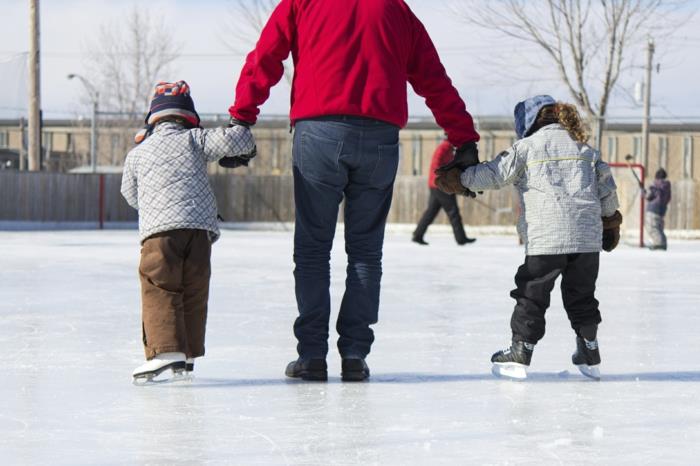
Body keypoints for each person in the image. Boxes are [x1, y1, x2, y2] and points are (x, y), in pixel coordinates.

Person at [229, 0, 480, 381]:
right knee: (366, 252)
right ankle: (354, 355)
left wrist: (242, 117)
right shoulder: (396, 10)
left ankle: (312, 355)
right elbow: (433, 78)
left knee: (313, 249)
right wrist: (464, 137)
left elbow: (266, 56)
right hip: (379, 138)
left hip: (319, 133)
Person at [436, 95, 622, 380]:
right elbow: (607, 189)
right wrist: (609, 223)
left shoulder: (526, 148)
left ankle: (521, 350)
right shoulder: (585, 150)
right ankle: (589, 349)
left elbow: (493, 174)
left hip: (547, 238)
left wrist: (460, 179)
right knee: (582, 295)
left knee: (532, 294)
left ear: (528, 122)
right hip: (586, 240)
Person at [121, 81, 256, 383]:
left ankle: (167, 352)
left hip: (160, 233)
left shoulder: (138, 153)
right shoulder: (196, 139)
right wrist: (244, 135)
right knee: (194, 288)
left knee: (160, 285)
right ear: (189, 116)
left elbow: (129, 194)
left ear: (153, 118)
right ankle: (189, 354)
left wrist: (153, 204)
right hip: (199, 232)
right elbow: (239, 140)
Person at [412, 139, 476, 246]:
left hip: (437, 185)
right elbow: (436, 166)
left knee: (431, 212)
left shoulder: (449, 149)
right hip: (440, 185)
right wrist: (447, 178)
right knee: (453, 212)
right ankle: (461, 238)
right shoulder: (444, 148)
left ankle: (418, 235)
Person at [646, 168, 672, 250]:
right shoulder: (667, 186)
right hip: (662, 210)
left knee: (652, 227)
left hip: (653, 209)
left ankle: (658, 243)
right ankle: (663, 243)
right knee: (659, 227)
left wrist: (644, 192)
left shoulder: (655, 185)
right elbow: (668, 198)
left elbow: (649, 196)